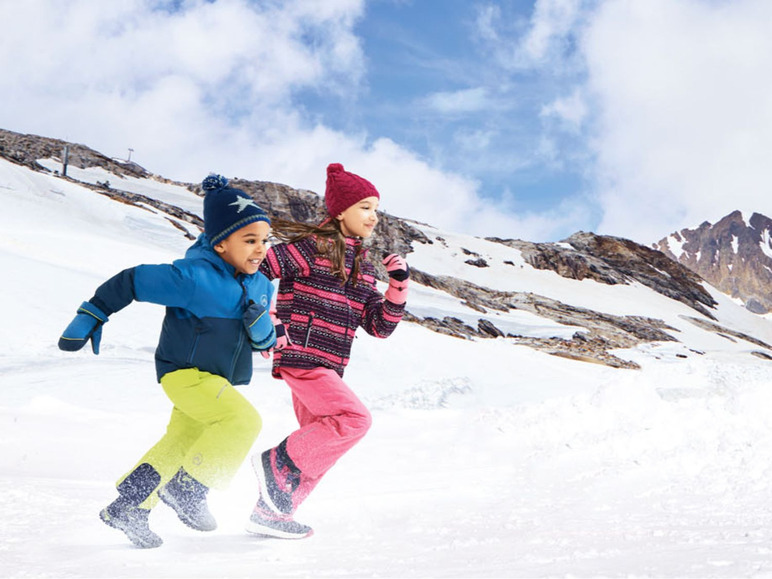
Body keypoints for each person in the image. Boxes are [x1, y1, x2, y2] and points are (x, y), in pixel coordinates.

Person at [58, 175, 276, 549]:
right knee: (242, 421)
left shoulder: (260, 284)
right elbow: (132, 280)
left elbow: (263, 341)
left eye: (265, 241)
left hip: (218, 381)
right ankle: (190, 489)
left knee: (180, 442)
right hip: (186, 374)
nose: (260, 249)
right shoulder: (192, 277)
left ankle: (129, 506)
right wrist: (93, 312)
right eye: (250, 240)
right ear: (221, 242)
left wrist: (262, 330)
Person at [244, 162, 410, 540]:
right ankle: (276, 462)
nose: (373, 216)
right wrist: (270, 321)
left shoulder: (362, 265)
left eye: (376, 209)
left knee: (321, 441)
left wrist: (397, 288)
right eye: (365, 207)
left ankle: (272, 512)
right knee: (354, 421)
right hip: (302, 356)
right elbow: (255, 270)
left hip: (330, 366)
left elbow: (379, 325)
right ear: (341, 211)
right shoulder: (311, 248)